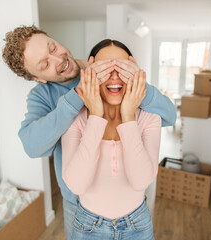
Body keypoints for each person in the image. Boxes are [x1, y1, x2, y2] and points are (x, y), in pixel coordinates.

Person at [2, 25, 176, 239]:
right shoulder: (43, 97)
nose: (59, 60)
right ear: (37, 78)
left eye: (53, 48)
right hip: (78, 205)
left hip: (131, 207)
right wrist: (79, 96)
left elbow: (169, 116)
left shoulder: (116, 71)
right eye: (45, 64)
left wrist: (139, 85)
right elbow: (32, 146)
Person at [62, 39, 160, 239]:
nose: (115, 76)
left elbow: (140, 182)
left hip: (138, 227)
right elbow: (77, 185)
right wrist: (95, 116)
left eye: (123, 68)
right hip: (87, 227)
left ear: (135, 74)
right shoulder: (74, 120)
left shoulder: (150, 119)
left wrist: (128, 116)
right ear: (90, 73)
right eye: (105, 68)